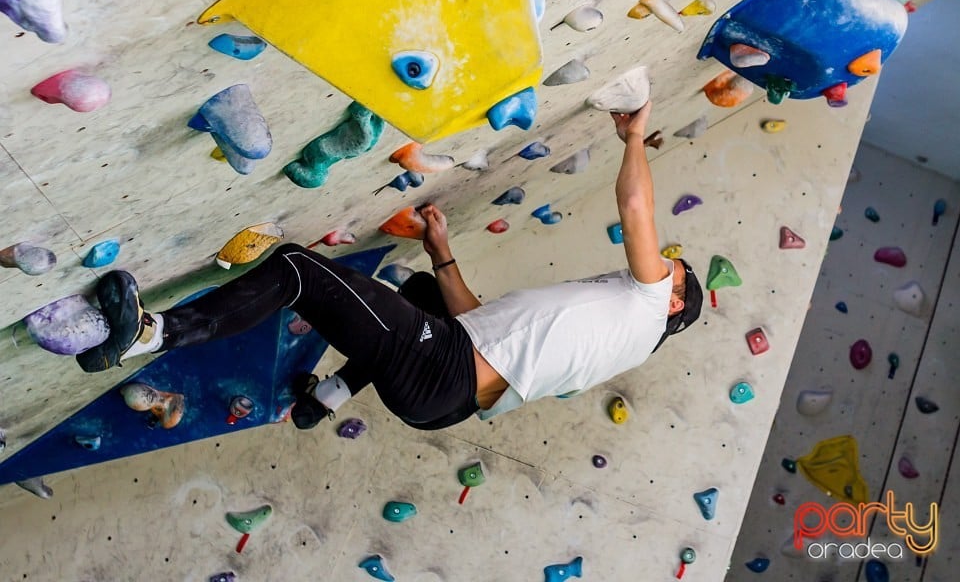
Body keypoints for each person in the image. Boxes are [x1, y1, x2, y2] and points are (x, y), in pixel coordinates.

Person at [74, 102, 702, 430]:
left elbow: (635, 203)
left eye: (672, 271)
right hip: (444, 396)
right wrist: (443, 252)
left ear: (673, 301)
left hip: (442, 367)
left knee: (298, 270)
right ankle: (328, 396)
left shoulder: (646, 306)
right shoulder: (618, 339)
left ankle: (150, 334)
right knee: (428, 293)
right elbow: (482, 326)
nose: (660, 264)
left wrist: (631, 139)